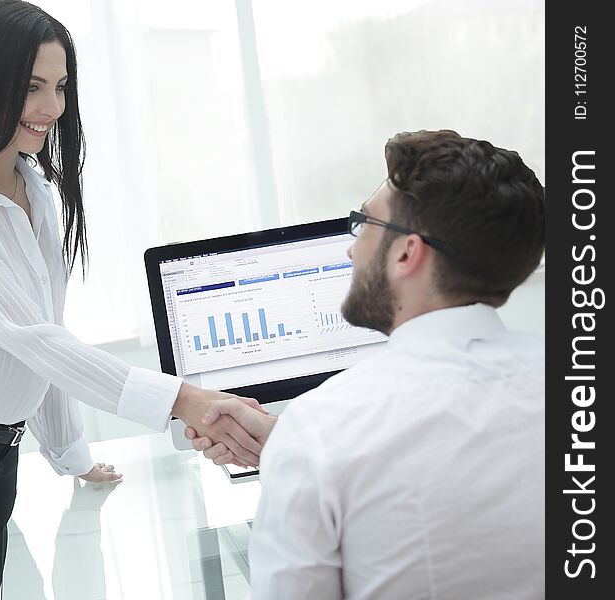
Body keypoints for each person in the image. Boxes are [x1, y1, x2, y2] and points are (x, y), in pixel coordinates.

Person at [0, 2, 261, 598]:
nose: (52, 107)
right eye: (32, 87)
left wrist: (72, 455)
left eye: (60, 86)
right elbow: (33, 340)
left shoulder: (34, 188)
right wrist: (183, 398)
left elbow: (44, 336)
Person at [187, 130, 546, 599]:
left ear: (406, 252)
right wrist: (284, 442)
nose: (352, 249)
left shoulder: (324, 428)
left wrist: (299, 448)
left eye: (366, 224)